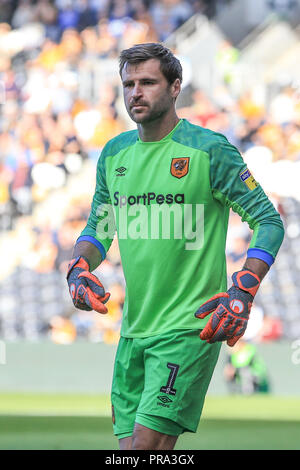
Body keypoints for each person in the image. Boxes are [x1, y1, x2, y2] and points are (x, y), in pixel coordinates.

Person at [66, 43, 284, 450]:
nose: (135, 92)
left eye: (147, 82)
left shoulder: (210, 150)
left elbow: (269, 222)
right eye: (128, 83)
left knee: (145, 450)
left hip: (191, 326)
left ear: (174, 88)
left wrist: (243, 290)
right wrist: (78, 268)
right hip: (133, 331)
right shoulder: (113, 155)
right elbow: (98, 231)